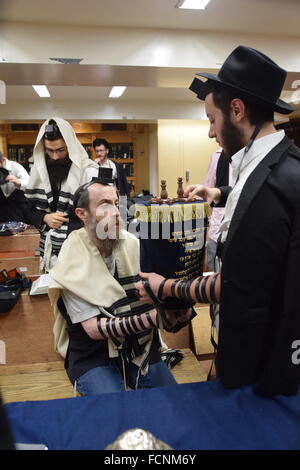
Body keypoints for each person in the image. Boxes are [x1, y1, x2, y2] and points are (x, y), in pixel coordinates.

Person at [137, 45, 300, 396]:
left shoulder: (272, 185)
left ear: (237, 110)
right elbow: (252, 202)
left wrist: (164, 287)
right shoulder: (272, 166)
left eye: (212, 120)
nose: (211, 132)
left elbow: (237, 285)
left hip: (261, 361)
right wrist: (219, 194)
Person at [48, 180, 191, 395]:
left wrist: (178, 309)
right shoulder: (72, 257)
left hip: (140, 348)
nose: (116, 212)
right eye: (105, 205)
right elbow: (95, 330)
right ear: (82, 213)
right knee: (117, 412)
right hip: (94, 356)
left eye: (117, 203)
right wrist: (155, 318)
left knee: (172, 405)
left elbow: (158, 296)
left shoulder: (133, 243)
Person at [25, 117, 98, 271]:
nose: (55, 156)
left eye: (60, 150)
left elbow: (97, 214)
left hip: (81, 246)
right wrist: (45, 217)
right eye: (50, 151)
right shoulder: (38, 172)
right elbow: (27, 208)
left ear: (70, 147)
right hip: (47, 247)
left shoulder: (89, 171)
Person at [203, 148, 231, 271]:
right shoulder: (217, 156)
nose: (211, 134)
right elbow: (208, 193)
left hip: (241, 230)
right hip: (217, 228)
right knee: (214, 272)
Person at [0, 151, 31, 223]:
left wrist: (19, 182)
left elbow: (30, 184)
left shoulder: (16, 167)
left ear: (3, 160)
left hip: (18, 205)